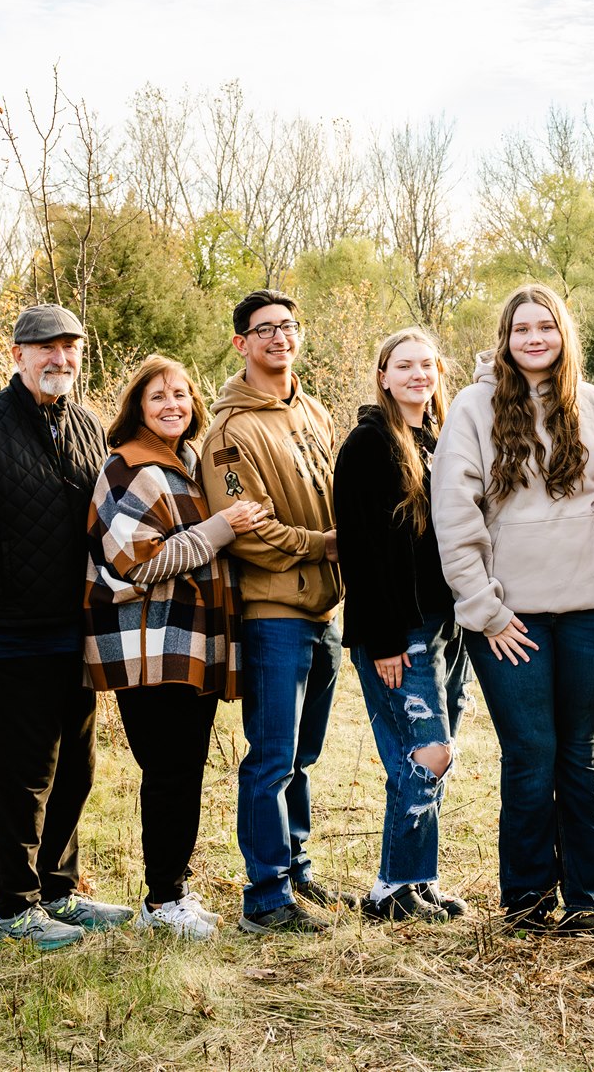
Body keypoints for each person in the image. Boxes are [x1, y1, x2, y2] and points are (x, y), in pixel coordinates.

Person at [0, 303, 132, 950]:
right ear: (16, 353)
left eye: (69, 347)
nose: (59, 358)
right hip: (7, 638)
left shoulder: (89, 425)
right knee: (20, 777)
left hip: (76, 636)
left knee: (76, 769)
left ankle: (59, 892)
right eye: (45, 346)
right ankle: (11, 909)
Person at [434, 284, 594, 935]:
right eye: (522, 328)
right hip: (510, 618)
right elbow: (455, 518)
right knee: (530, 750)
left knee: (579, 749)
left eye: (546, 325)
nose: (535, 337)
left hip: (593, 609)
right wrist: (485, 609)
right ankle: (526, 895)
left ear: (564, 333)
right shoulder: (473, 408)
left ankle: (588, 898)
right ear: (506, 338)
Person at [86, 354, 264, 940]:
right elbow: (140, 562)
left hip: (188, 643)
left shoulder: (188, 464)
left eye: (182, 395)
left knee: (183, 767)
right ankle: (163, 901)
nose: (172, 405)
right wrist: (219, 529)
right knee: (168, 769)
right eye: (158, 396)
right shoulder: (129, 468)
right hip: (148, 646)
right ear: (138, 405)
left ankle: (171, 893)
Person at [198, 290, 346, 935]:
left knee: (304, 754)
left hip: (322, 610)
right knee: (271, 757)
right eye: (264, 330)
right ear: (241, 343)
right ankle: (264, 895)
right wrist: (327, 545)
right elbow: (250, 534)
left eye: (288, 327)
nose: (278, 338)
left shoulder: (309, 410)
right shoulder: (231, 431)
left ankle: (297, 867)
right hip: (273, 614)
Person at [333, 328, 472, 925]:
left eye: (427, 365)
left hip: (448, 623)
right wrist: (384, 638)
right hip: (399, 627)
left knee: (419, 757)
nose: (419, 374)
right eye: (404, 365)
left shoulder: (437, 440)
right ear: (383, 376)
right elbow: (360, 551)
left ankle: (414, 880)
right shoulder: (369, 444)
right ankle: (392, 887)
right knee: (429, 752)